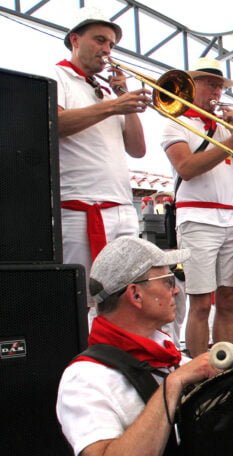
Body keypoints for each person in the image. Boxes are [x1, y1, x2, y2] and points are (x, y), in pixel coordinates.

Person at [56, 237, 233, 456]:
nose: (176, 291)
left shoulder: (165, 352)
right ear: (135, 294)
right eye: (168, 281)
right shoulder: (85, 379)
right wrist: (173, 384)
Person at [161, 57, 233, 357]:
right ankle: (200, 367)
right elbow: (187, 167)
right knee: (202, 301)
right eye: (210, 84)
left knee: (229, 299)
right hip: (197, 218)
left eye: (220, 86)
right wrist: (232, 140)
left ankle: (225, 361)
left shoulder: (224, 128)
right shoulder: (175, 122)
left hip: (229, 218)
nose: (216, 92)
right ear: (192, 87)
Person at [56, 6, 151, 305]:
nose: (107, 50)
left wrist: (128, 103)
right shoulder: (56, 75)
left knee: (125, 301)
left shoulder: (109, 92)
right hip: (80, 207)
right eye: (99, 40)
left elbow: (137, 149)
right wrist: (113, 106)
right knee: (84, 300)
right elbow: (54, 123)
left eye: (111, 44)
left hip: (122, 206)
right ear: (75, 40)